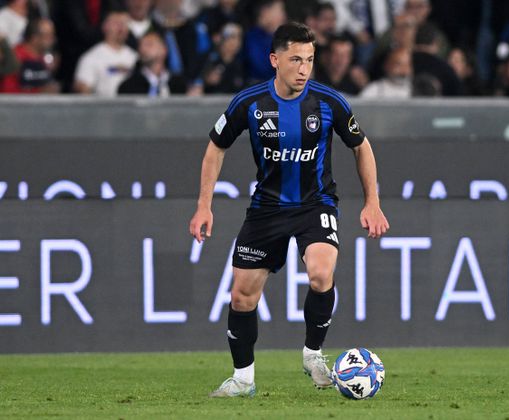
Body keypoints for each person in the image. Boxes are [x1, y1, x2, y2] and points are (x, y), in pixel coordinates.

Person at [189, 21, 389, 398]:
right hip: (267, 208)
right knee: (242, 296)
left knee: (320, 273)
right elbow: (216, 146)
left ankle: (313, 354)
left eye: (309, 60)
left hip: (316, 203)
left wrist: (372, 202)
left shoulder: (329, 102)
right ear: (275, 60)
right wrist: (204, 206)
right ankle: (243, 379)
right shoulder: (249, 103)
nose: (303, 69)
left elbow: (361, 146)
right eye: (296, 59)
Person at [73, 10, 138, 96]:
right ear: (105, 27)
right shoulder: (91, 57)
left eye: (124, 24)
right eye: (116, 23)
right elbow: (83, 89)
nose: (121, 27)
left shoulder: (135, 56)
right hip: (103, 103)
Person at [118, 31, 187, 95]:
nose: (143, 49)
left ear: (163, 50)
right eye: (140, 46)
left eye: (149, 44)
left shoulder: (179, 84)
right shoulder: (129, 87)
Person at [0, 17, 59, 93]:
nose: (52, 39)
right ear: (34, 38)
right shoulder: (15, 57)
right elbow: (8, 90)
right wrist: (39, 92)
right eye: (48, 35)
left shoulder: (45, 58)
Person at [201, 22, 244, 94]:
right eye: (232, 37)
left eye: (239, 37)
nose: (236, 41)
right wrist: (206, 82)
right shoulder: (209, 59)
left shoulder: (242, 62)